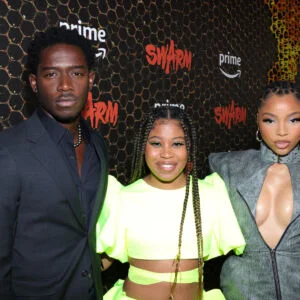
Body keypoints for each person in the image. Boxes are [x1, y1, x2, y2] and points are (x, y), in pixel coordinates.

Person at [0, 27, 108, 299]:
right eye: (51, 74)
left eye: (76, 73)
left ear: (91, 79)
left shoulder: (98, 145)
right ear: (34, 83)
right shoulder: (9, 151)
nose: (65, 85)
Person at [96, 105, 245, 300]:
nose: (167, 153)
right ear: (143, 146)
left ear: (189, 146)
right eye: (156, 143)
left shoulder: (211, 194)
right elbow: (99, 262)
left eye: (177, 144)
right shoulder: (123, 198)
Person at [209, 81, 300, 300]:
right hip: (241, 291)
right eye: (270, 120)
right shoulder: (226, 167)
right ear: (257, 119)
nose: (281, 131)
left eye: (294, 119)